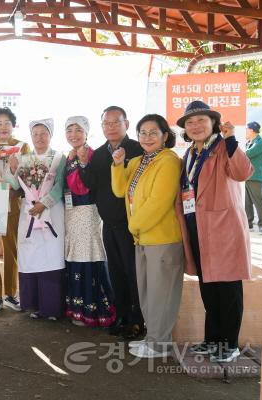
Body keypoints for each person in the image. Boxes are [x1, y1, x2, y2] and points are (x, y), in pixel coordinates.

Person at [176, 100, 253, 363]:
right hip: (197, 228)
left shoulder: (223, 146)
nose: (195, 126)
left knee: (228, 288)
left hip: (223, 229)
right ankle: (212, 340)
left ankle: (229, 344)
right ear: (185, 129)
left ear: (213, 123)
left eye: (201, 120)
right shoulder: (190, 153)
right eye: (190, 122)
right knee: (208, 287)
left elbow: (242, 172)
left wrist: (232, 141)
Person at [111, 114, 184, 358]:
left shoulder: (169, 161)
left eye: (154, 132)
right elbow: (120, 189)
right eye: (143, 132)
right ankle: (152, 337)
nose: (148, 137)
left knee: (161, 293)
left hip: (162, 239)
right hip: (143, 238)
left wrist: (134, 226)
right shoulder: (139, 161)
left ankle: (159, 343)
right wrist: (118, 164)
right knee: (147, 292)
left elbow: (159, 202)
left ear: (165, 135)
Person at [77, 106, 145, 339]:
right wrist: (84, 164)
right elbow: (91, 184)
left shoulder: (137, 149)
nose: (111, 127)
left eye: (116, 122)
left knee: (133, 273)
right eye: (106, 123)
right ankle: (122, 316)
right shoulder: (98, 153)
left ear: (126, 123)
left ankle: (138, 321)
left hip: (131, 224)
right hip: (108, 224)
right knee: (115, 272)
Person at [7, 118, 66, 320]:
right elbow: (15, 187)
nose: (39, 138)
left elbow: (59, 185)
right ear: (30, 137)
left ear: (50, 135)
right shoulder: (23, 159)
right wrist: (12, 169)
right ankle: (34, 305)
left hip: (52, 212)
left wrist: (45, 203)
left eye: (44, 133)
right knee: (31, 255)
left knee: (51, 255)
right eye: (35, 134)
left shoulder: (59, 157)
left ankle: (52, 308)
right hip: (29, 212)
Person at [63, 116, 115, 328]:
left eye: (78, 130)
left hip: (88, 212)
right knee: (76, 256)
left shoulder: (91, 154)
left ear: (86, 132)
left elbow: (84, 186)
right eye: (69, 130)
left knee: (89, 256)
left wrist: (82, 162)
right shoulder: (70, 155)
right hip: (72, 213)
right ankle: (77, 309)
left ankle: (94, 310)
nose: (73, 135)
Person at [0, 107, 30, 315]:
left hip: (12, 203)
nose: (3, 126)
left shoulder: (22, 146)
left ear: (13, 125)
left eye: (7, 122)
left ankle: (11, 294)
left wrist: (15, 175)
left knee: (11, 250)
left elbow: (28, 177)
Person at [244, 121, 262, 234]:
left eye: (247, 129)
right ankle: (248, 224)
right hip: (247, 177)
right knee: (247, 202)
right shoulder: (249, 142)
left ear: (252, 130)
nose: (245, 131)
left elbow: (247, 154)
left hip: (256, 177)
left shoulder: (261, 143)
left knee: (258, 201)